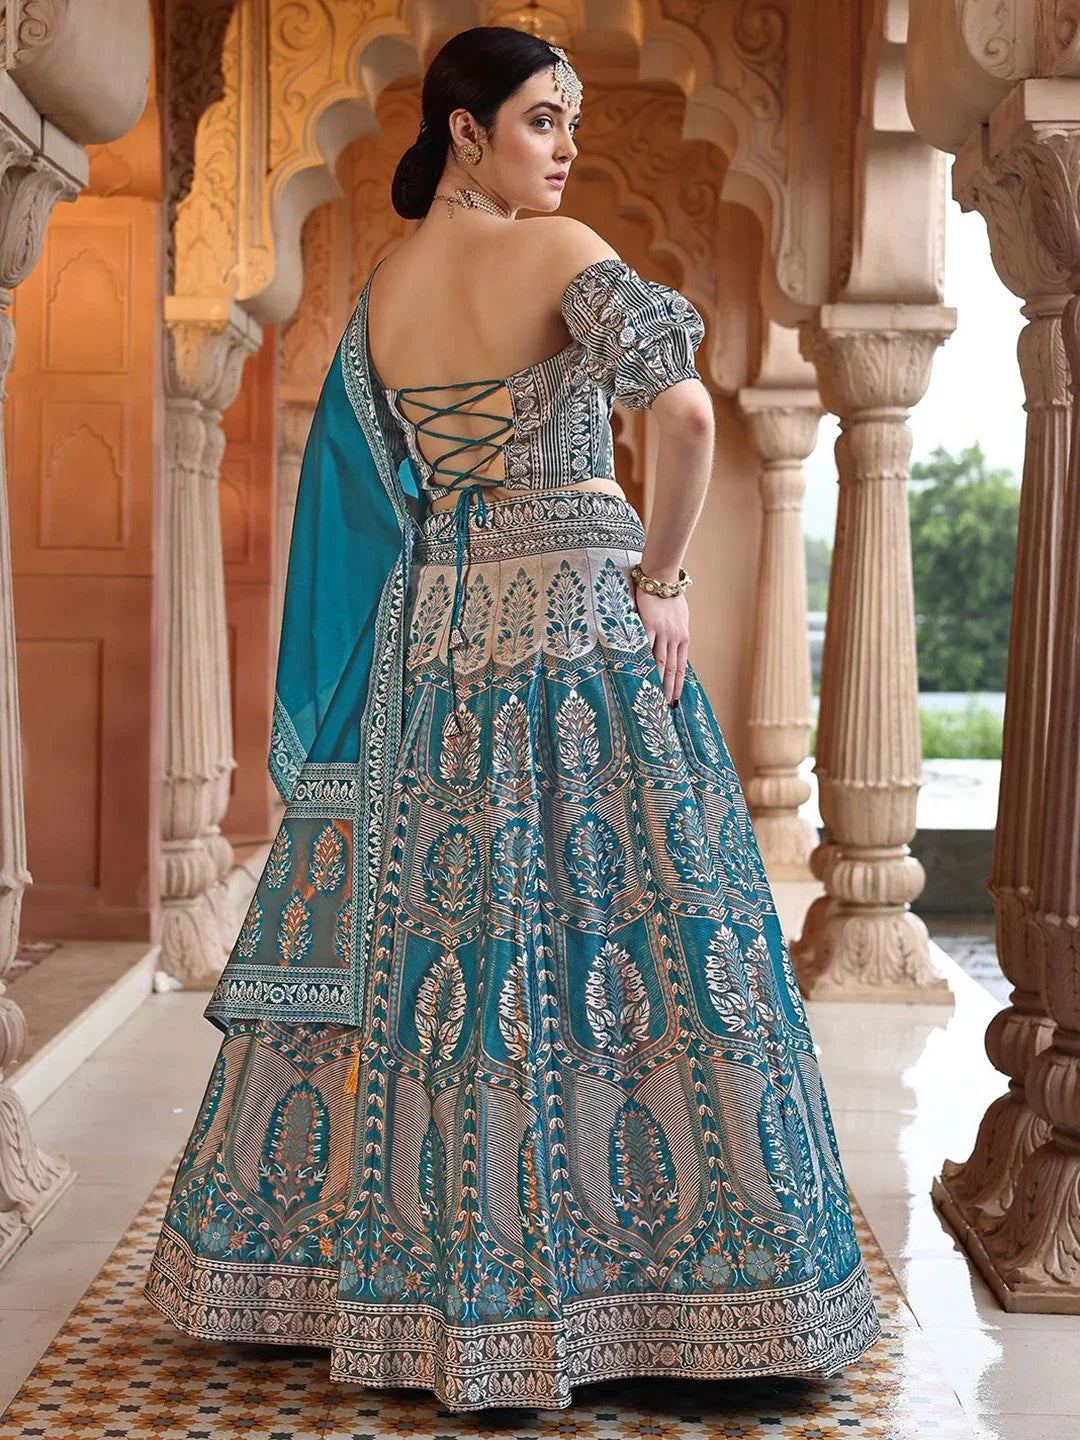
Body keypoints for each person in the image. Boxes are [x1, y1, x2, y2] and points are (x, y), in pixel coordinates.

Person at [145, 24, 881, 1413]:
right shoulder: (560, 253)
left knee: (461, 953)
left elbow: (382, 502)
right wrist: (660, 580)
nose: (566, 147)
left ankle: (440, 1294)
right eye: (543, 121)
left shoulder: (384, 289)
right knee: (631, 940)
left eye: (572, 124)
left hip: (438, 643)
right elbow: (685, 419)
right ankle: (669, 1290)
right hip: (579, 628)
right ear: (466, 129)